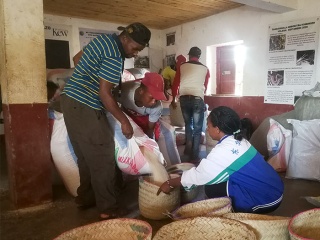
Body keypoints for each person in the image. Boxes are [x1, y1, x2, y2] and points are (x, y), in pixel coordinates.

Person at [60, 22, 151, 220]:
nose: (135, 54)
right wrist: (124, 122)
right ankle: (108, 208)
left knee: (85, 155)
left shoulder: (103, 40)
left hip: (69, 101)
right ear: (125, 39)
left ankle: (85, 198)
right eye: (135, 48)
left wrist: (86, 78)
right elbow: (105, 94)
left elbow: (77, 59)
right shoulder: (114, 55)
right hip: (85, 106)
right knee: (102, 155)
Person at [157, 106, 284, 213]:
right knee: (216, 179)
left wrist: (170, 183)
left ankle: (237, 212)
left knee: (211, 188)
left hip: (267, 199)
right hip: (275, 189)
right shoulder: (239, 140)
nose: (207, 129)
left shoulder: (223, 151)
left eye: (208, 125)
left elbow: (200, 175)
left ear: (217, 129)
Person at [113, 72, 181, 166]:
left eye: (157, 99)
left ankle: (174, 168)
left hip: (145, 119)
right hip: (127, 115)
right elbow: (111, 104)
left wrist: (150, 146)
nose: (154, 102)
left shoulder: (157, 107)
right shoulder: (123, 92)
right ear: (141, 91)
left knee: (168, 132)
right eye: (151, 97)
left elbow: (150, 129)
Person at [171, 47, 210, 161]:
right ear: (199, 56)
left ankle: (188, 149)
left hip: (183, 98)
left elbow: (176, 83)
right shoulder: (205, 69)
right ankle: (195, 154)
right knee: (198, 129)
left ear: (189, 55)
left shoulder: (182, 66)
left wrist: (174, 98)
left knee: (188, 124)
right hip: (198, 98)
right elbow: (205, 86)